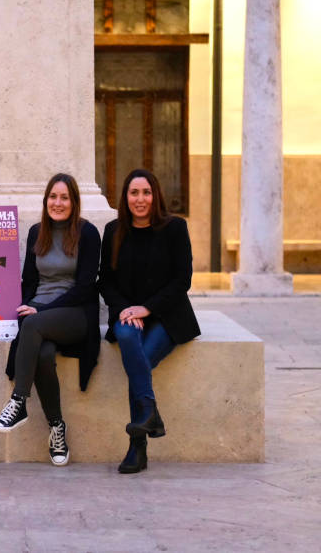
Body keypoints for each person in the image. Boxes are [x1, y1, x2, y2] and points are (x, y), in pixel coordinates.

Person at [0, 173, 101, 467]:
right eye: (53, 197)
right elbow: (29, 279)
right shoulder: (37, 231)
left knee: (33, 325)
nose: (58, 202)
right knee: (43, 353)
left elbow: (86, 286)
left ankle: (18, 402)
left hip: (75, 312)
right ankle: (57, 428)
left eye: (64, 197)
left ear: (74, 201)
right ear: (46, 201)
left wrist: (40, 312)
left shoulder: (87, 233)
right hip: (39, 312)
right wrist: (27, 304)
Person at [98, 169, 200, 474]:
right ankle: (148, 416)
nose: (139, 199)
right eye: (133, 193)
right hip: (128, 314)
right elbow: (104, 281)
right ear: (125, 197)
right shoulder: (113, 230)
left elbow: (182, 280)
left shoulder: (174, 228)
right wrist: (126, 309)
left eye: (145, 192)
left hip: (167, 316)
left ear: (155, 195)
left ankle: (136, 447)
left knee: (137, 361)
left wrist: (146, 309)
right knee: (129, 341)